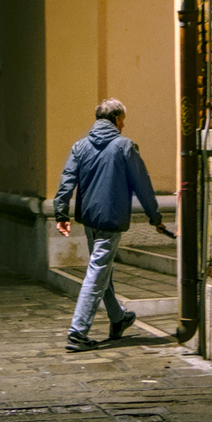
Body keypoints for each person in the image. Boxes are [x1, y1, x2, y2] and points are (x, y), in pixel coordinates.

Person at [54, 98, 169, 351]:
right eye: (123, 120)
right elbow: (143, 185)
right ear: (117, 119)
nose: (124, 125)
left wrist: (61, 214)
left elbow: (67, 180)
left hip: (89, 219)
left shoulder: (80, 146)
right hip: (111, 219)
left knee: (101, 269)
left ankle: (118, 318)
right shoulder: (125, 146)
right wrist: (156, 218)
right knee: (97, 272)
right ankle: (77, 333)